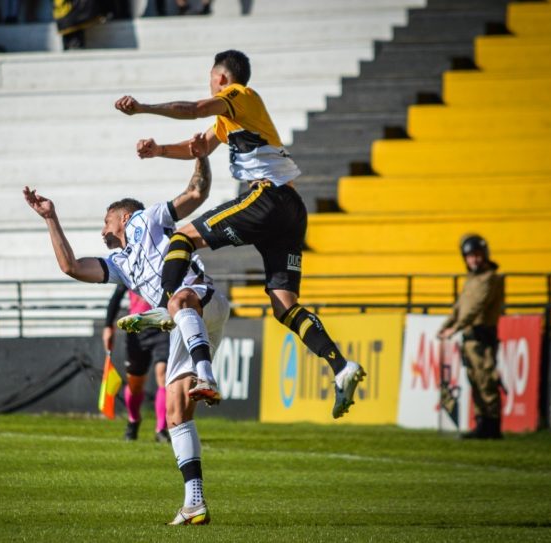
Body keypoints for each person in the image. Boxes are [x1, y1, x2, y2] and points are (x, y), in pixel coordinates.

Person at [114, 49, 365, 419]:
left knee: (181, 237)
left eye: (210, 79)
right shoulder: (229, 121)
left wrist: (144, 108)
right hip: (291, 212)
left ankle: (164, 305)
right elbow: (196, 146)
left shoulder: (239, 97)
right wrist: (158, 151)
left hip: (269, 196)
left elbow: (196, 108)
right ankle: (341, 367)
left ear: (221, 79)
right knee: (284, 306)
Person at [24, 150, 227, 525]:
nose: (102, 231)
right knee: (176, 414)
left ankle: (207, 377)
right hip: (184, 324)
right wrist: (51, 217)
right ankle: (194, 501)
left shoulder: (145, 220)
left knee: (178, 296)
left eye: (105, 221)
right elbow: (71, 267)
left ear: (123, 216)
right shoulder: (121, 266)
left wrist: (200, 156)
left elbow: (196, 194)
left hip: (202, 300)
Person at [438, 234, 505, 439]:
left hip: (482, 336)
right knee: (474, 379)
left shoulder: (490, 278)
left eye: (477, 255)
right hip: (470, 337)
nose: (474, 260)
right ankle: (481, 423)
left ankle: (492, 426)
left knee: (486, 380)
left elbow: (475, 308)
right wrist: (446, 326)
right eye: (470, 256)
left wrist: (455, 327)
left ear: (484, 255)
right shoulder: (471, 279)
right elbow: (459, 307)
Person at [104, 284, 170, 443]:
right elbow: (117, 296)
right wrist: (108, 326)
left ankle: (161, 429)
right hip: (136, 329)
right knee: (135, 384)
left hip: (162, 326)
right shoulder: (132, 265)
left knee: (163, 373)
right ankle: (133, 419)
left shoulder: (168, 266)